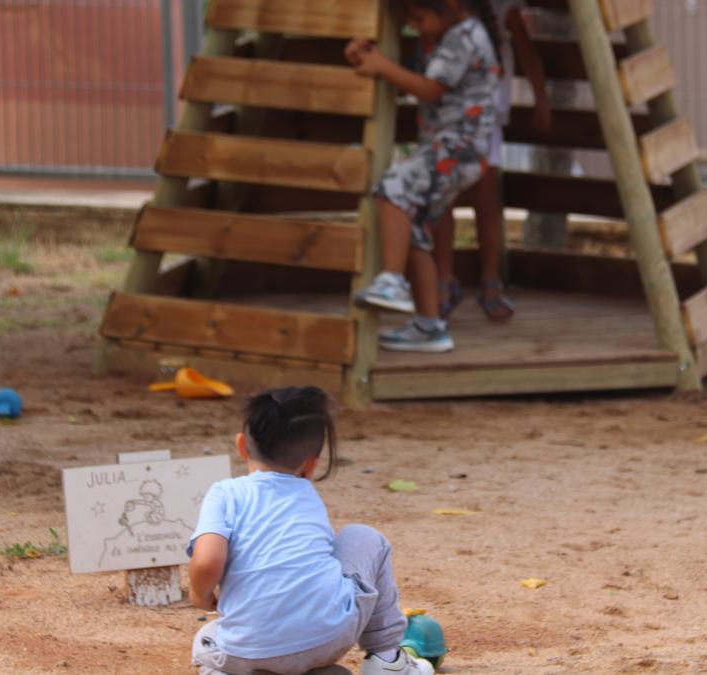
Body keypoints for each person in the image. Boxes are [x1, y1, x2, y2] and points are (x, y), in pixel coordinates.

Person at [188, 387, 433, 675]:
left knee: (207, 641)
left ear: (241, 446)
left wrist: (199, 594)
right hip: (327, 640)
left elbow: (207, 560)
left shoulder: (224, 493)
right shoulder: (307, 495)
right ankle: (386, 660)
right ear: (311, 465)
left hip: (245, 651)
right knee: (364, 537)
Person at [349, 0, 501, 353]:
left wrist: (382, 66)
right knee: (412, 226)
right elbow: (420, 77)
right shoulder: (450, 34)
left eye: (418, 18)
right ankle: (430, 326)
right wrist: (368, 57)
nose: (414, 27)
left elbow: (431, 88)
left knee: (393, 188)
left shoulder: (465, 36)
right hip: (451, 149)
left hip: (455, 148)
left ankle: (391, 282)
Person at [431, 0, 552, 322]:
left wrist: (541, 99)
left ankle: (490, 282)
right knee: (443, 202)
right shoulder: (441, 8)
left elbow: (527, 54)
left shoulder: (503, 9)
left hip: (486, 121)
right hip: (447, 117)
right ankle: (443, 281)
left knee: (486, 200)